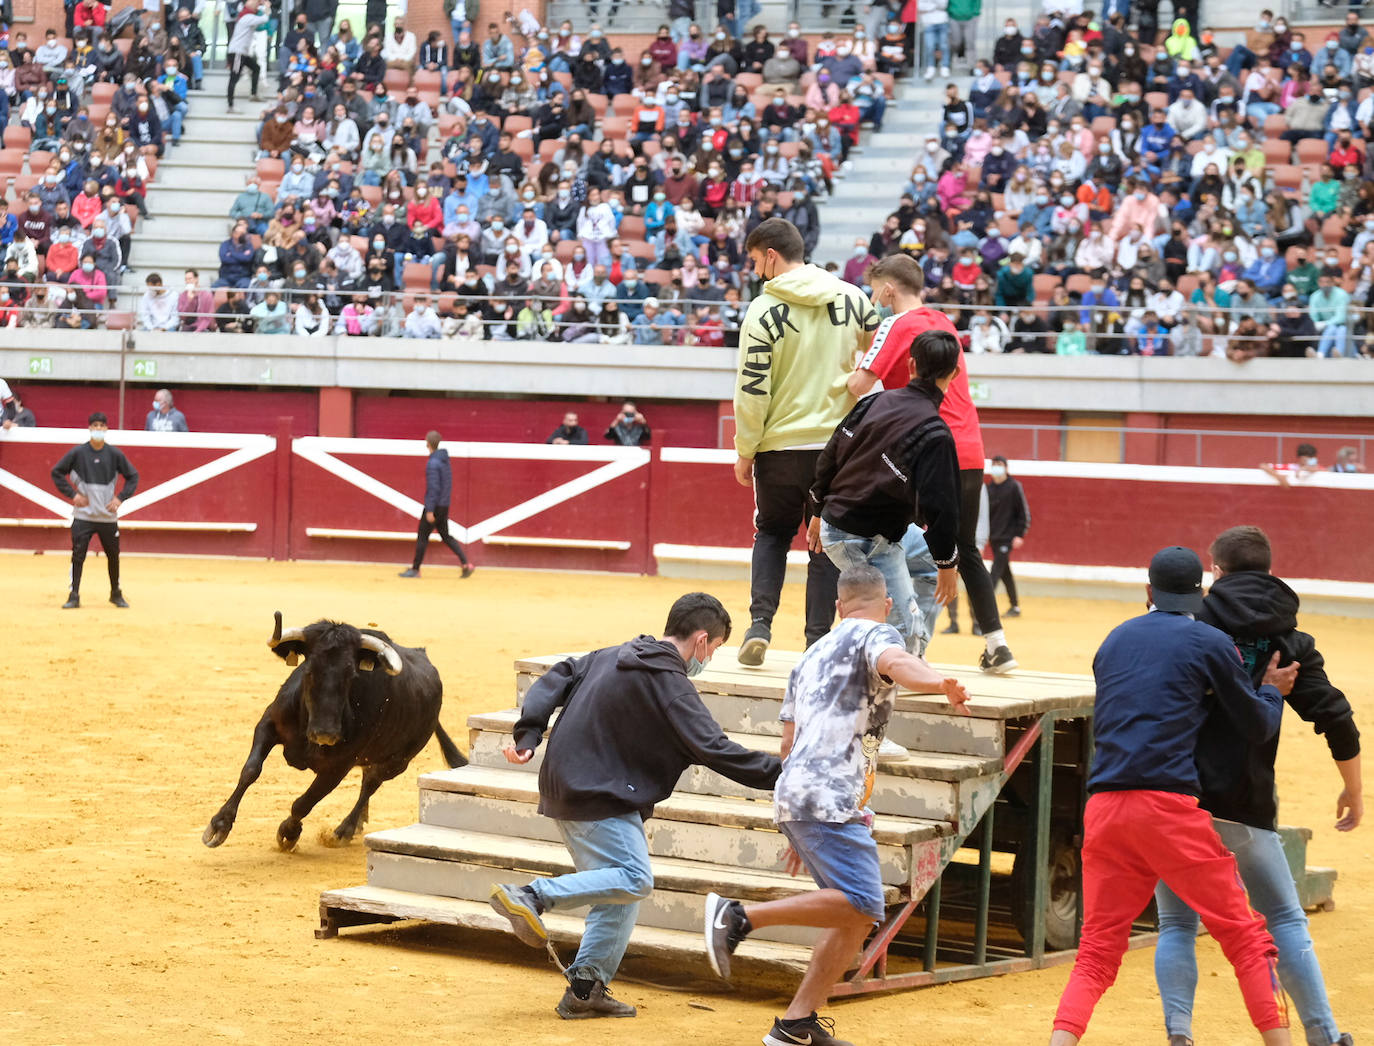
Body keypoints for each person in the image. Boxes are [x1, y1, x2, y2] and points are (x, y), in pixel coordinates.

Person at [704, 564, 968, 1046]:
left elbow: (788, 744)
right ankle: (737, 917)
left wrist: (799, 824)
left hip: (803, 795)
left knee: (853, 915)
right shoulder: (877, 633)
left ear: (836, 607)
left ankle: (796, 1024)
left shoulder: (810, 655)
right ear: (885, 605)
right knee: (865, 903)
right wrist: (937, 683)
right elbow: (897, 662)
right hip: (829, 797)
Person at [489, 592, 781, 1019]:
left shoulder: (612, 654)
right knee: (633, 877)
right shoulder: (671, 684)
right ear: (701, 641)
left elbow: (559, 674)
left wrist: (528, 735)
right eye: (715, 649)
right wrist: (785, 774)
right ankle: (532, 896)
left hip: (570, 781)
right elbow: (715, 748)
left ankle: (586, 989)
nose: (710, 659)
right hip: (599, 791)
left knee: (619, 889)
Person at [1049, 546, 1297, 1046]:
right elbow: (1256, 725)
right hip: (1166, 808)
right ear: (1200, 594)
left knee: (1097, 951)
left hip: (1103, 808)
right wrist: (1272, 690)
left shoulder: (1114, 640)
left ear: (1148, 592)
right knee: (1246, 937)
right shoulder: (1210, 642)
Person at [1154, 526, 1361, 1046]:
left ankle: (1179, 1033)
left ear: (1216, 571)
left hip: (1180, 798)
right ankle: (1323, 1034)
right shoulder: (1288, 639)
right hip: (1247, 802)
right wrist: (1353, 789)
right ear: (1268, 570)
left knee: (1177, 924)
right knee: (1286, 921)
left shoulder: (1187, 623)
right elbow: (1334, 715)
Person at [847, 253, 1016, 672]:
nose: (874, 299)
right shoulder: (943, 322)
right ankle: (997, 645)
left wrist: (850, 364)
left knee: (890, 541)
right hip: (969, 444)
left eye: (875, 291)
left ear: (888, 289)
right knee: (965, 549)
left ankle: (905, 645)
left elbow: (858, 386)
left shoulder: (895, 324)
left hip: (925, 448)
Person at [733, 217, 879, 665]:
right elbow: (880, 356)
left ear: (772, 257)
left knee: (772, 533)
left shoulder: (762, 309)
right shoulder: (855, 299)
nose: (757, 273)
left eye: (757, 262)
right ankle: (816, 640)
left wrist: (745, 448)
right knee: (823, 544)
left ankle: (760, 625)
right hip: (836, 448)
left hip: (779, 446)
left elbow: (752, 387)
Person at [805, 329, 963, 655]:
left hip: (862, 526)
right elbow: (941, 509)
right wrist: (949, 563)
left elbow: (829, 456)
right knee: (903, 630)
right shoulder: (936, 434)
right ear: (955, 375)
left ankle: (910, 661)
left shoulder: (874, 401)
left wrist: (818, 510)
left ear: (911, 364)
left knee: (928, 572)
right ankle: (903, 665)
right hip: (860, 536)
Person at [50, 412, 139, 609]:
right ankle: (74, 595)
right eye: (95, 425)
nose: (98, 429)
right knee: (78, 555)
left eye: (101, 425)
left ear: (106, 429)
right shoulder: (78, 453)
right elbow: (56, 472)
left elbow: (133, 476)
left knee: (113, 556)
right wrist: (73, 496)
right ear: (90, 428)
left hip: (107, 516)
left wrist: (120, 498)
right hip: (84, 515)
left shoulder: (114, 454)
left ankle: (115, 593)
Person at [398, 430, 473, 579]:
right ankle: (466, 564)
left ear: (427, 443)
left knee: (422, 536)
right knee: (445, 536)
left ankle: (415, 569)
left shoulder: (433, 463)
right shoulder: (444, 461)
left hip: (435, 506)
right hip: (444, 505)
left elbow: (433, 488)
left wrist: (430, 510)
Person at [986, 455, 1030, 618]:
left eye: (999, 464)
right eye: (994, 465)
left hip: (1008, 537)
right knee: (1005, 572)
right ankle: (1015, 606)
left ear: (1006, 468)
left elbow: (1023, 512)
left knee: (995, 572)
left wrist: (1019, 534)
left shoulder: (1013, 487)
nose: (996, 467)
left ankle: (985, 609)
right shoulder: (988, 489)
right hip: (994, 537)